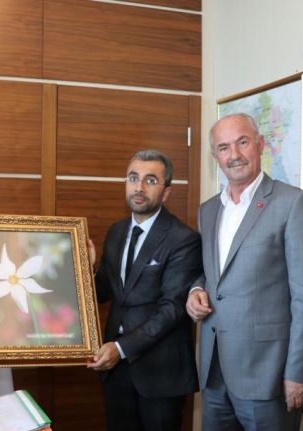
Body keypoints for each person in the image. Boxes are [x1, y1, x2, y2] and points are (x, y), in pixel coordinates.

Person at [186, 113, 303, 430]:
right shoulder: (208, 210)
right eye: (224, 147)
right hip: (214, 371)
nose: (234, 155)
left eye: (243, 142)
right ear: (215, 156)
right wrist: (196, 290)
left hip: (268, 374)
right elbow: (212, 273)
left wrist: (300, 372)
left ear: (261, 144)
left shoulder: (294, 204)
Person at [87, 150, 202, 431]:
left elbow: (172, 309)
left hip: (160, 373)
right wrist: (88, 269)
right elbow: (105, 293)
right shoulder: (116, 232)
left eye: (150, 180)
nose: (139, 187)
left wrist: (120, 348)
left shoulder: (183, 239)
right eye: (133, 178)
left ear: (166, 192)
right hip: (115, 370)